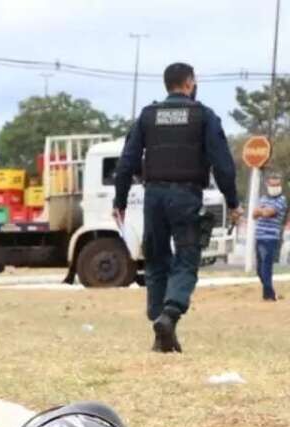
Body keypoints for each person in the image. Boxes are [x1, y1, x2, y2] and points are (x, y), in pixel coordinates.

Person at [114, 62, 241, 353]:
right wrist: (233, 202)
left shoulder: (148, 115)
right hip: (186, 196)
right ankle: (170, 315)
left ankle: (161, 333)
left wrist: (119, 202)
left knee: (157, 260)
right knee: (186, 258)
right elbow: (223, 165)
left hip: (154, 196)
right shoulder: (204, 116)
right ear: (189, 83)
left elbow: (127, 163)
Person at [252, 173, 285, 301]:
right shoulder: (263, 198)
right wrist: (262, 211)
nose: (275, 187)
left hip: (271, 238)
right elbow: (254, 214)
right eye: (272, 185)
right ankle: (270, 292)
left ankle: (269, 295)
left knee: (266, 267)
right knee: (260, 269)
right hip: (259, 236)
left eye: (277, 185)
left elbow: (268, 213)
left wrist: (262, 211)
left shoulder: (281, 200)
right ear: (267, 185)